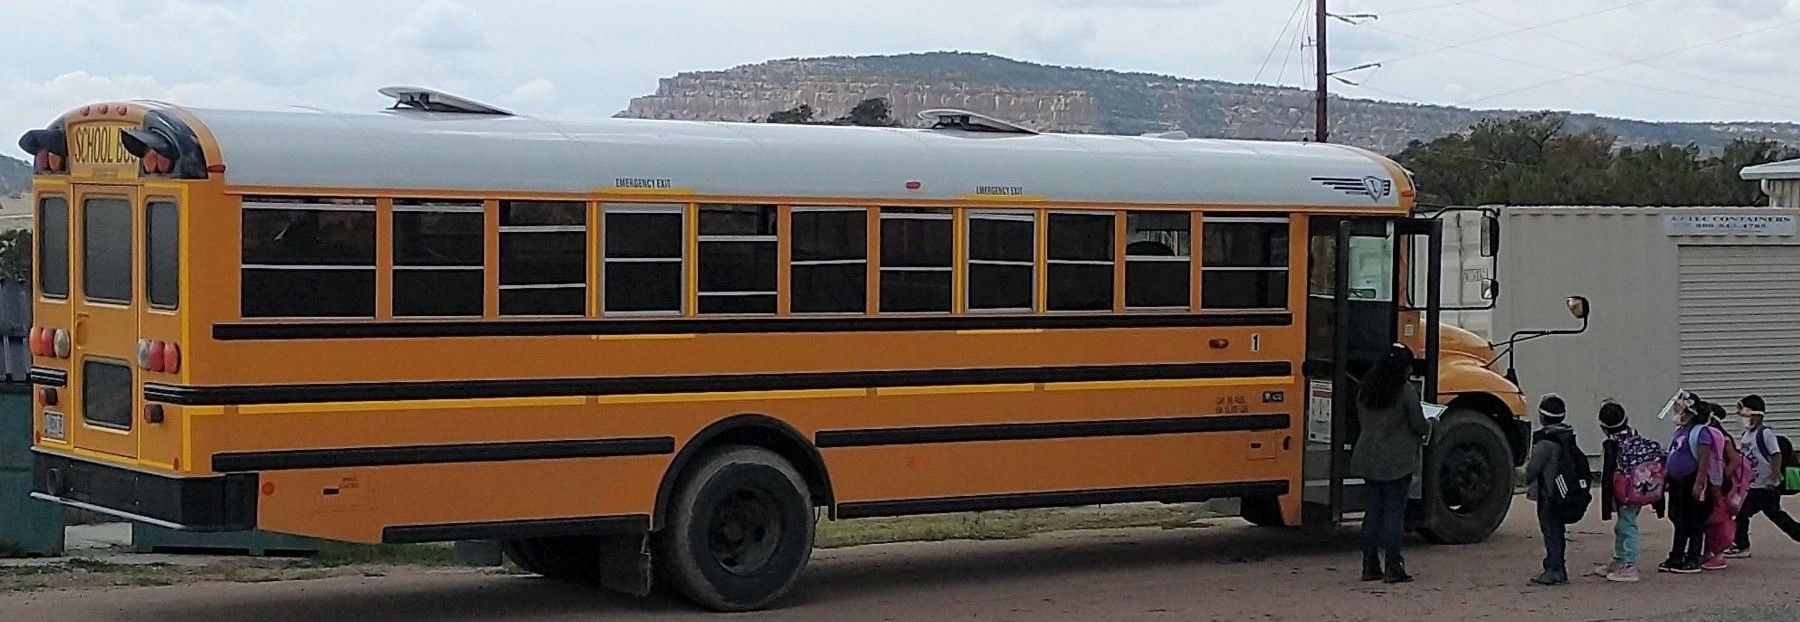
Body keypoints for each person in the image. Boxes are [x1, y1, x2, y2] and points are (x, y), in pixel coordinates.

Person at [1348, 343, 1429, 584]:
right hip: (1396, 460)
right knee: (1393, 514)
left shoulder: (1366, 389)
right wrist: (1430, 425)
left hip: (1367, 455)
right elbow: (1418, 424)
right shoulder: (1405, 392)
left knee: (1372, 512)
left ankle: (1369, 564)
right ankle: (1394, 566)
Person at [1593, 401, 1663, 583]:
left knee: (1627, 525)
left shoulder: (1614, 445)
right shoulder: (1636, 438)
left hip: (1626, 493)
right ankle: (1619, 559)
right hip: (1640, 489)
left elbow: (1609, 475)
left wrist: (1607, 503)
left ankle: (1630, 565)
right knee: (1622, 525)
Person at [1726, 394, 1800, 557]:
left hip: (1765, 486)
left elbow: (1776, 455)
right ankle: (1741, 544)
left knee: (1746, 514)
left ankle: (1742, 545)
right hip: (1754, 484)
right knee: (1774, 515)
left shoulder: (1765, 434)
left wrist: (1774, 476)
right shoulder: (1747, 435)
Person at [1659, 394, 1715, 575]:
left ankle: (1693, 557)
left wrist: (1699, 482)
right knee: (1678, 519)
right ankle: (1676, 554)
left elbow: (1704, 459)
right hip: (1676, 482)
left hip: (1691, 481)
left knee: (1694, 521)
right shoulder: (1680, 431)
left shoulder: (1701, 432)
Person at [1525, 394, 1576, 585]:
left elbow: (1531, 470)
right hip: (1562, 494)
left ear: (1542, 416)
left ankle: (1553, 568)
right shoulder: (1568, 436)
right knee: (1558, 531)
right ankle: (1559, 566)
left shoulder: (1545, 443)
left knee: (1550, 532)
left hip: (1548, 495)